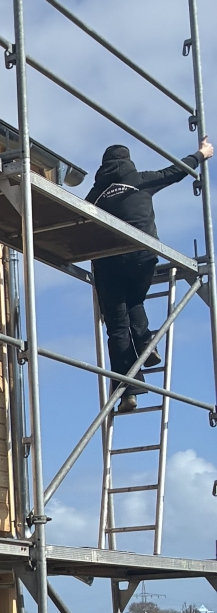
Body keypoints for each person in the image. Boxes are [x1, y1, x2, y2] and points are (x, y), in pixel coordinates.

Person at [88, 139, 213, 410]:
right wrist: (201, 154)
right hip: (142, 257)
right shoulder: (139, 180)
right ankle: (146, 341)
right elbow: (174, 172)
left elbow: (78, 223)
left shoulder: (95, 194)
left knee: (118, 328)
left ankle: (129, 391)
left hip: (109, 263)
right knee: (135, 301)